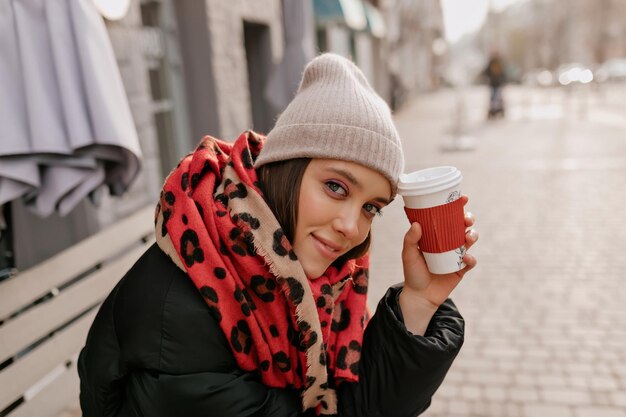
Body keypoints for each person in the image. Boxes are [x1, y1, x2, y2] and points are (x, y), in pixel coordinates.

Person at [78, 53, 478, 417]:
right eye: (336, 187)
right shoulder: (186, 307)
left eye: (371, 207)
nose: (351, 227)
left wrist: (419, 302)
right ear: (285, 168)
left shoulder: (309, 280)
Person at [483, 51, 507, 119]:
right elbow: (486, 72)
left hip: (498, 84)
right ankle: (493, 111)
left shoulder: (499, 63)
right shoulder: (491, 62)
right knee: (493, 98)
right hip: (493, 84)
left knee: (498, 98)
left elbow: (503, 73)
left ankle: (499, 110)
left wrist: (503, 80)